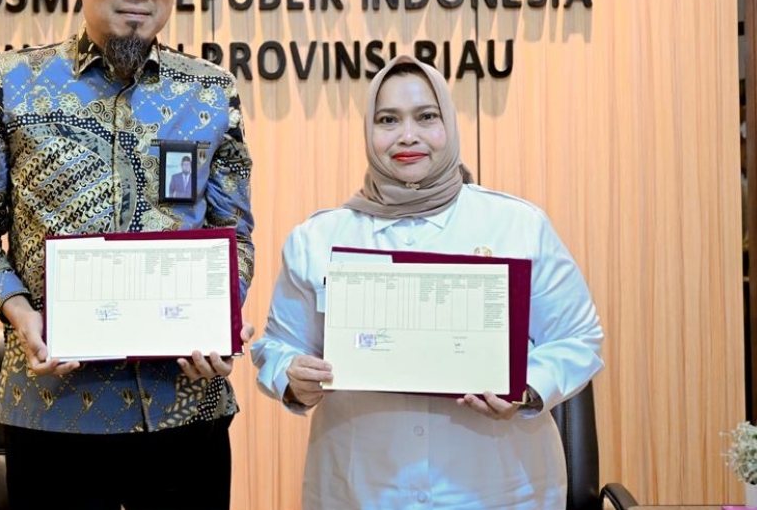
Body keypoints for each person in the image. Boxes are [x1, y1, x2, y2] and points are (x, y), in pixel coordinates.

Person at [0, 0, 255, 510]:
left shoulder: (211, 91)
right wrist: (20, 313)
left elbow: (234, 232)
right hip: (53, 413)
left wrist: (223, 316)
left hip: (184, 412)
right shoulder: (10, 83)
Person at [251, 54, 603, 510]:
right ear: (368, 130)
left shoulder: (517, 225)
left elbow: (579, 338)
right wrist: (292, 377)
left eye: (426, 117)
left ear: (449, 124)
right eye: (388, 120)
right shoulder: (318, 238)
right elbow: (277, 347)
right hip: (363, 491)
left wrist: (527, 386)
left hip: (496, 491)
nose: (407, 135)